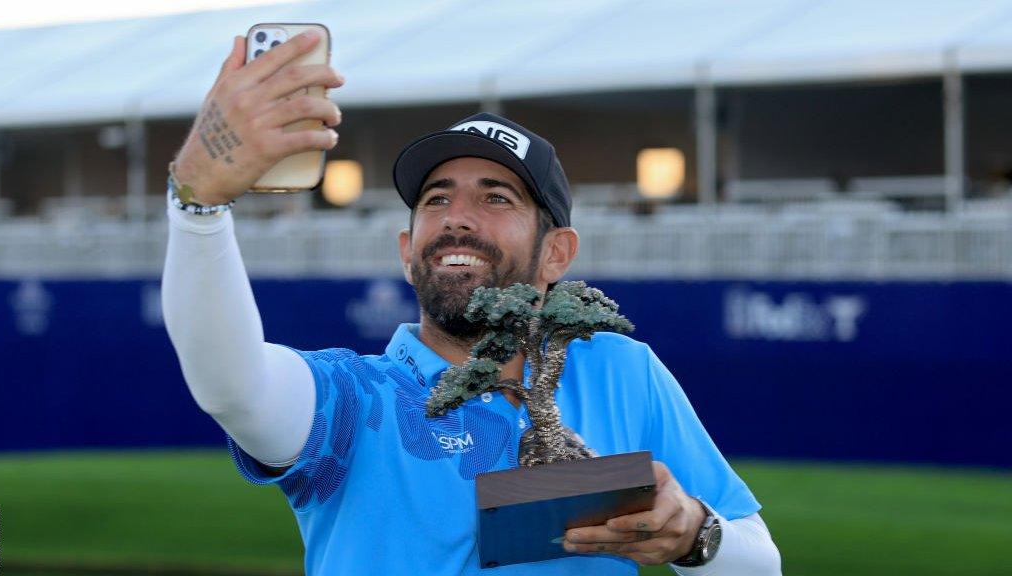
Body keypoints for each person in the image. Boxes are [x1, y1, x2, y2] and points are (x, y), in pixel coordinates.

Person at [162, 32, 781, 576]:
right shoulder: (351, 399)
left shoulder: (621, 370)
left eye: (496, 198)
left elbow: (759, 562)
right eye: (435, 199)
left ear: (557, 254)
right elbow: (232, 385)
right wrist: (198, 205)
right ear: (407, 251)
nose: (456, 219)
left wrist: (697, 534)